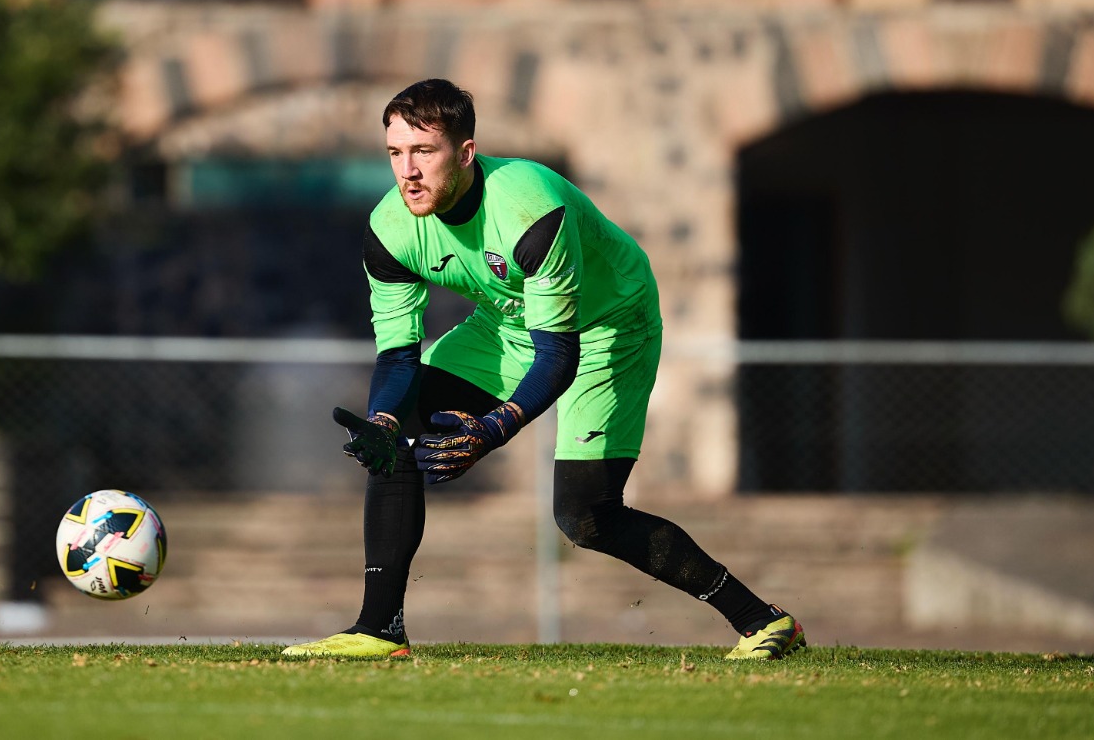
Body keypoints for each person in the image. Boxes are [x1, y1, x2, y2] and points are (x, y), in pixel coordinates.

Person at [282, 79, 804, 661]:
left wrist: (495, 428)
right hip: (506, 323)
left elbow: (559, 353)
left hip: (609, 324)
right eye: (395, 153)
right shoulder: (389, 229)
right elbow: (398, 355)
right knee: (394, 435)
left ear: (465, 152)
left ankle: (762, 620)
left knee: (586, 516)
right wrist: (383, 420)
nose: (408, 171)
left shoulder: (530, 208)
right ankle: (378, 631)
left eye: (424, 151)